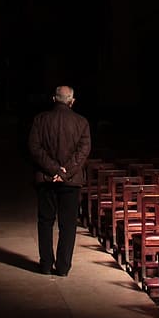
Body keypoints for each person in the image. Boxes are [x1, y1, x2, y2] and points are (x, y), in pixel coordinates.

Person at [28, 84, 91, 276]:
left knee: (45, 221)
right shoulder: (81, 122)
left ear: (54, 99)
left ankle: (46, 264)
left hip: (46, 179)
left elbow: (34, 148)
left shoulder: (40, 120)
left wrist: (54, 170)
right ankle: (63, 267)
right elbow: (83, 152)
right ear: (72, 101)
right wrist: (64, 172)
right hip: (70, 182)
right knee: (68, 224)